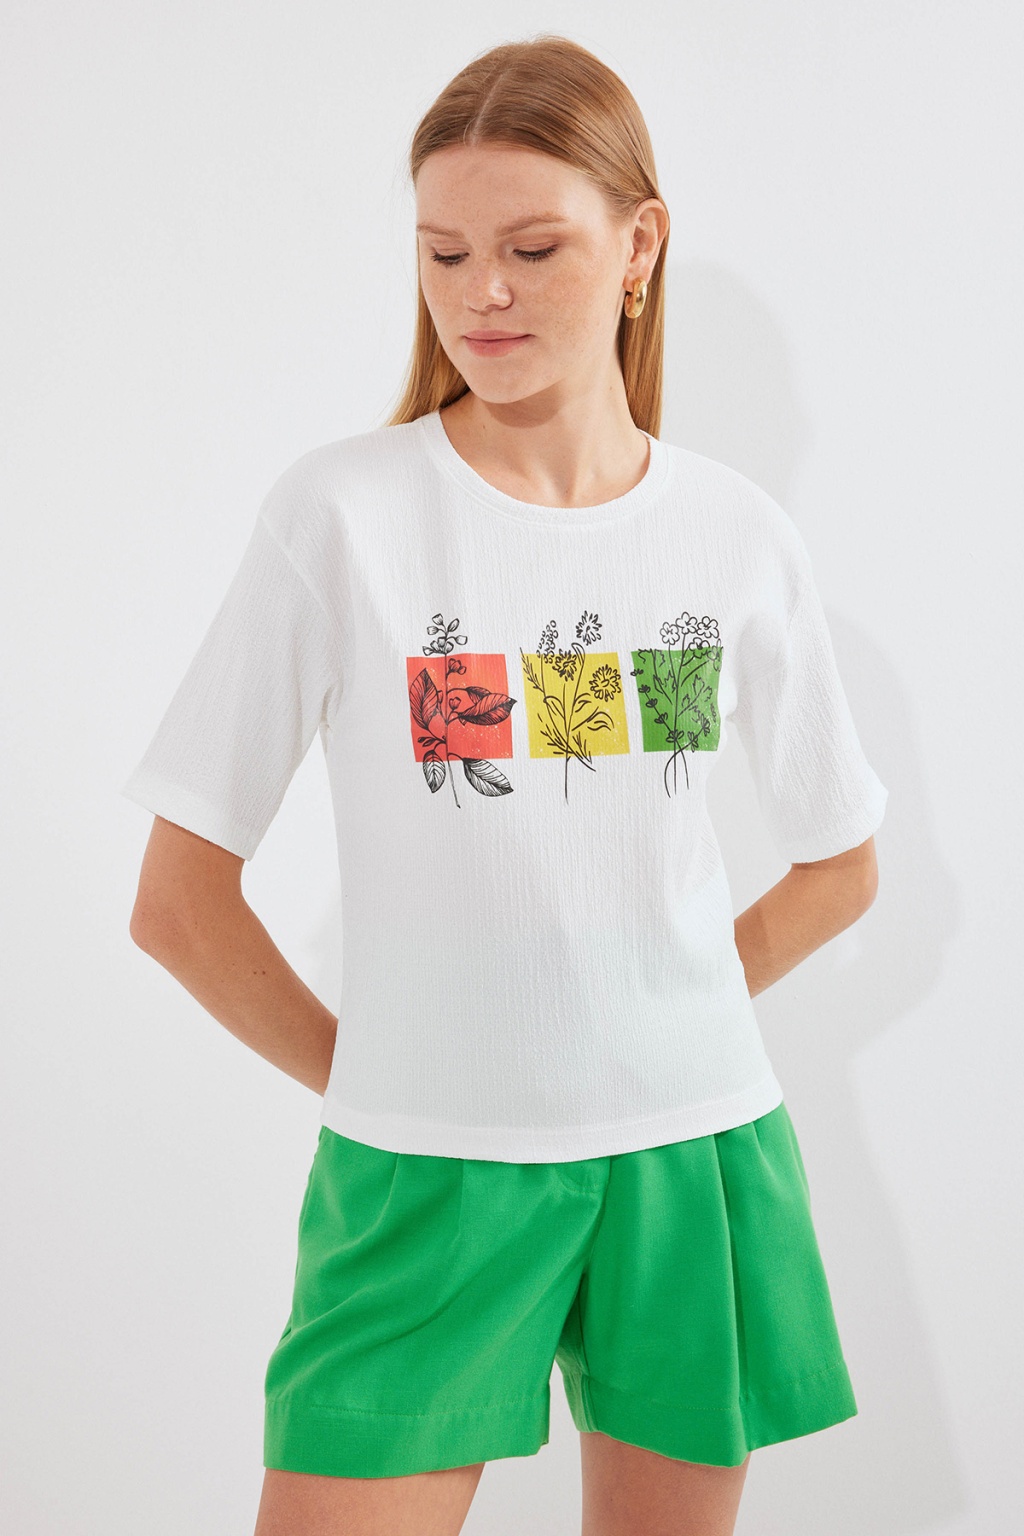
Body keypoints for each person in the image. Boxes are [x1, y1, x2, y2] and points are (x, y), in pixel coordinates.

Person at [122, 33, 888, 1536]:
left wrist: (658, 999)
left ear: (639, 247)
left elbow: (844, 863)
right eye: (446, 252)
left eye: (533, 250)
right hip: (426, 1171)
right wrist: (377, 1073)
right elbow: (178, 902)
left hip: (691, 1155)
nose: (483, 293)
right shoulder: (344, 516)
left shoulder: (736, 536)